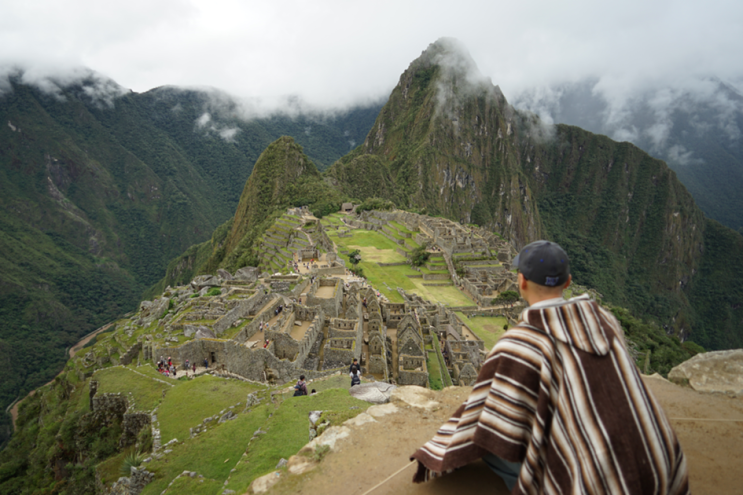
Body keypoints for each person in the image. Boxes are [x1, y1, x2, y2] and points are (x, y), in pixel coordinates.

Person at [411, 240, 689, 494]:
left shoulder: (520, 343)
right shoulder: (606, 321)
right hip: (660, 464)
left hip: (597, 483)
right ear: (568, 282)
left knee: (491, 439)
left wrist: (443, 447)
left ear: (521, 282)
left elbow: (488, 412)